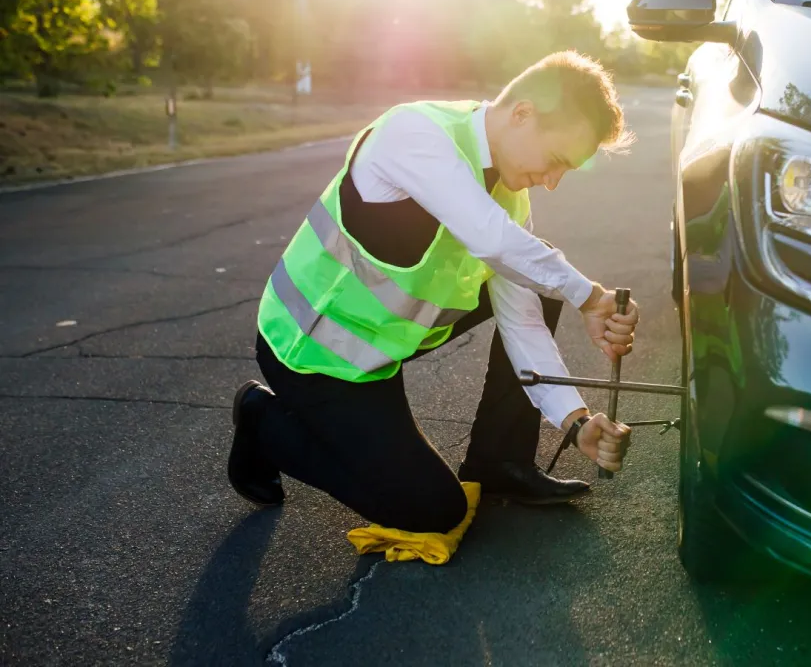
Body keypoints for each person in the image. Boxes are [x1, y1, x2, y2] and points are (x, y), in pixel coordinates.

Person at [226, 51, 639, 535]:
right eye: (555, 161)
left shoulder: (510, 194)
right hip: (311, 355)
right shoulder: (414, 133)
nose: (552, 182)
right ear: (522, 113)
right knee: (433, 512)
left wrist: (575, 422)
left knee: (534, 273)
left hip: (378, 353)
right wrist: (589, 296)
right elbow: (491, 239)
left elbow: (521, 319)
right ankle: (262, 421)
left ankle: (498, 463)